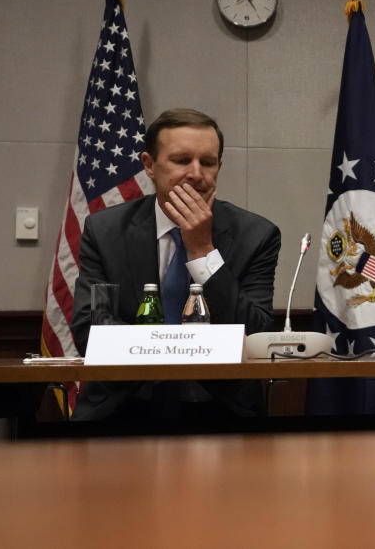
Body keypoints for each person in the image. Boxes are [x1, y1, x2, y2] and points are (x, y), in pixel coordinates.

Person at [70, 108, 281, 422]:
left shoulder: (256, 235)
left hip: (221, 407)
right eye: (182, 160)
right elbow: (90, 332)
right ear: (150, 166)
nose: (196, 173)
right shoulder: (105, 232)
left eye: (207, 163)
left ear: (219, 167)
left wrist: (201, 249)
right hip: (122, 404)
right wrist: (179, 350)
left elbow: (254, 334)